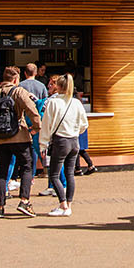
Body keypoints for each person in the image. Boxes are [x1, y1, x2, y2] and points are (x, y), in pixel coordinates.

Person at [0, 66, 41, 218]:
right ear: (15, 79)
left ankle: (0, 207)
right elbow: (32, 110)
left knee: (1, 171)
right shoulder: (18, 92)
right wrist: (36, 128)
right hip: (19, 135)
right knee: (26, 166)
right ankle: (24, 201)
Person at [40, 73, 89, 217]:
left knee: (54, 175)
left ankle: (63, 204)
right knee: (70, 174)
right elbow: (84, 124)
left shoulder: (53, 103)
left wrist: (43, 144)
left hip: (60, 141)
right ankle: (69, 203)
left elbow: (46, 125)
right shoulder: (76, 103)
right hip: (74, 141)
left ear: (58, 87)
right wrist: (75, 131)